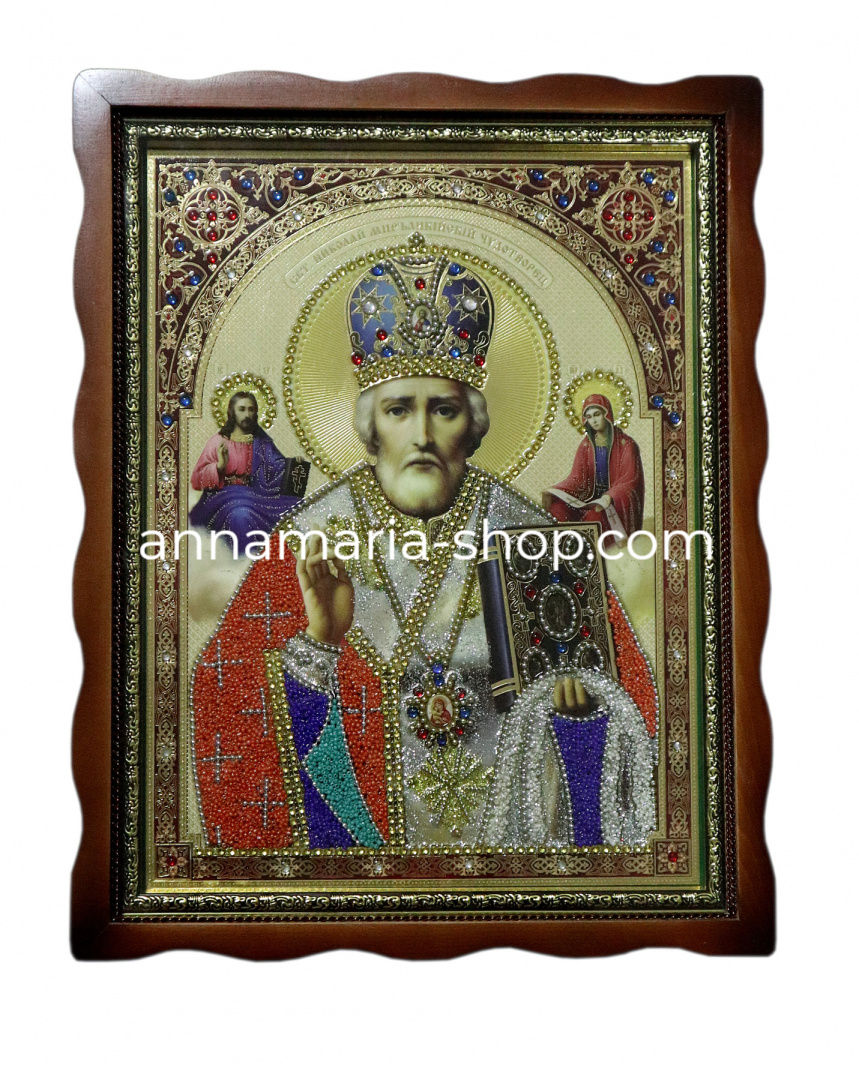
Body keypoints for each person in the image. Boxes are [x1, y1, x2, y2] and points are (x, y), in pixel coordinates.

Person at [191, 243, 656, 852]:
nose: (422, 435)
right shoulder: (306, 541)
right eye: (398, 410)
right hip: (359, 870)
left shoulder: (539, 541)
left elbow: (634, 706)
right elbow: (226, 702)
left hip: (511, 868)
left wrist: (582, 723)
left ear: (474, 425)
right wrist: (319, 646)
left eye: (443, 410)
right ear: (370, 426)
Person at [189, 391, 309, 553]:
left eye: (251, 409)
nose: (247, 414)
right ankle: (246, 560)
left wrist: (293, 466)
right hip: (224, 498)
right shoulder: (218, 441)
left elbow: (277, 466)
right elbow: (197, 479)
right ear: (231, 412)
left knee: (294, 508)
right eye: (242, 409)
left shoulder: (262, 442)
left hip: (258, 495)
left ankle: (278, 559)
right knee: (241, 514)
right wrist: (219, 466)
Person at [545, 394, 644, 541]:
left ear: (607, 414)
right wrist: (555, 491)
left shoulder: (626, 445)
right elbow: (577, 479)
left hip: (614, 503)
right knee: (557, 508)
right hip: (590, 500)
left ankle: (585, 547)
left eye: (597, 414)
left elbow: (629, 481)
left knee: (594, 517)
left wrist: (609, 496)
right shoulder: (586, 446)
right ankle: (567, 544)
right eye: (589, 417)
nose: (594, 420)